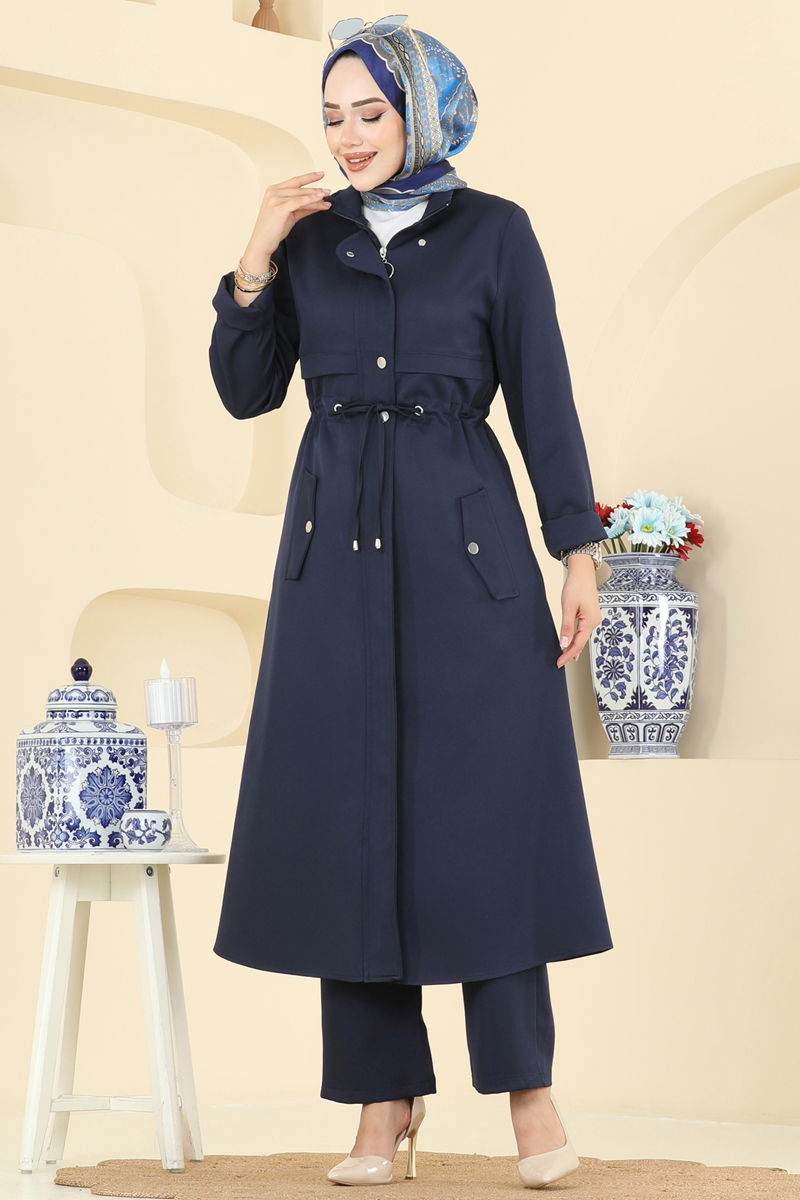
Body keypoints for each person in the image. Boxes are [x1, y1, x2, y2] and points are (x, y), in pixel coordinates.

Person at [208, 15, 613, 1190]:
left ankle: (528, 1094)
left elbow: (541, 392)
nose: (348, 137)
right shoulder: (309, 237)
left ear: (422, 114)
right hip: (332, 558)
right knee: (351, 820)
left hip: (467, 554)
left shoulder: (495, 232)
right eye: (332, 117)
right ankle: (380, 1102)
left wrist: (575, 552)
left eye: (370, 113)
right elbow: (245, 391)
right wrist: (253, 262)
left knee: (488, 820)